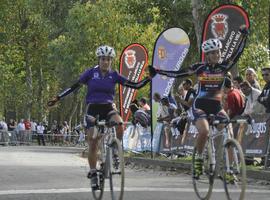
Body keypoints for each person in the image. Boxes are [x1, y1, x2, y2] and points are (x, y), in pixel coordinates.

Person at [47, 45, 154, 190]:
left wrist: (148, 78)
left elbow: (135, 85)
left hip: (108, 107)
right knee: (93, 141)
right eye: (103, 59)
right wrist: (58, 97)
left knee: (120, 124)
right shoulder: (90, 73)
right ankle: (93, 172)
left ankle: (116, 150)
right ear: (99, 59)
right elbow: (74, 87)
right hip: (93, 108)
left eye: (109, 59)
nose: (106, 62)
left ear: (111, 61)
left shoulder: (114, 75)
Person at [150, 25, 249, 179]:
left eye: (217, 52)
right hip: (200, 106)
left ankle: (229, 169)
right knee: (204, 131)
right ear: (207, 55)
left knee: (227, 133)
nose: (216, 55)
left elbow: (237, 54)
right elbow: (178, 73)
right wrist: (158, 71)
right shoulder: (199, 68)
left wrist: (243, 37)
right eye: (212, 53)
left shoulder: (224, 66)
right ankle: (199, 159)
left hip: (216, 107)